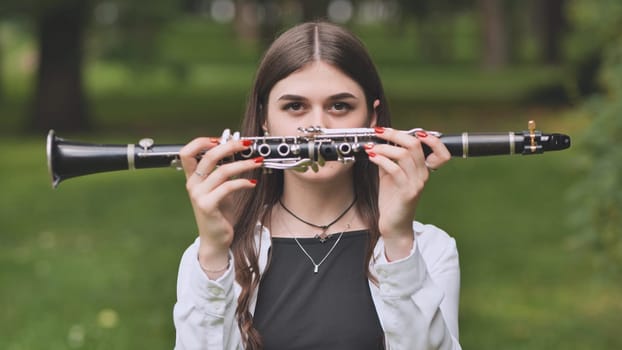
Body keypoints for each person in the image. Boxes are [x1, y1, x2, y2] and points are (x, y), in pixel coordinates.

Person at [174, 21, 461, 350]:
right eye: (294, 106)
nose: (316, 127)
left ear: (371, 119)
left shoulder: (429, 249)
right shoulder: (211, 255)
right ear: (264, 119)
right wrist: (214, 250)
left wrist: (398, 241)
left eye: (340, 106)